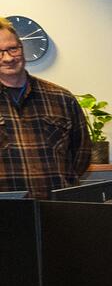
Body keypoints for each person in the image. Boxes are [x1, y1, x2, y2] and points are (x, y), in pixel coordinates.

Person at [0, 16, 90, 198]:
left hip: (57, 208)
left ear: (22, 48)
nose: (8, 58)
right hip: (6, 211)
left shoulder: (61, 98)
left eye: (13, 49)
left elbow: (82, 154)